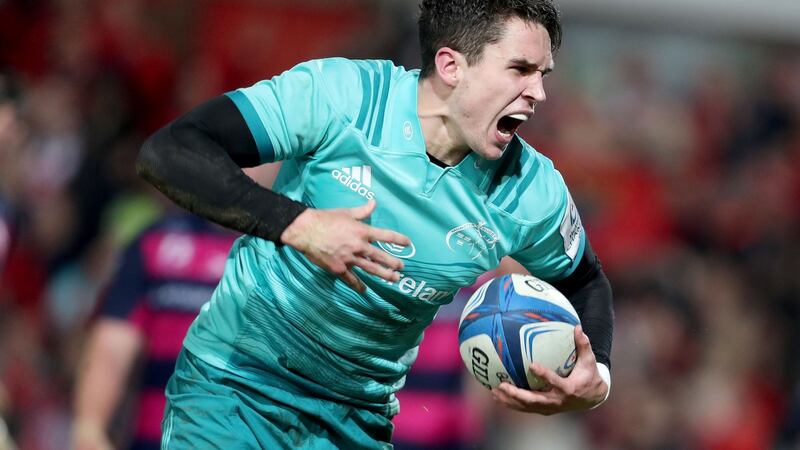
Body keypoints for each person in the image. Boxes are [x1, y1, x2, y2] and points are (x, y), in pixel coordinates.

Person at [137, 0, 614, 448]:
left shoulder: (529, 191)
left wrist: (598, 379)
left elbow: (585, 279)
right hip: (235, 385)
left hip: (357, 421)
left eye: (542, 74)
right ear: (451, 67)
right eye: (520, 70)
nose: (539, 92)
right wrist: (299, 225)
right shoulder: (341, 98)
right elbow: (171, 151)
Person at [71, 213, 237, 450]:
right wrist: (89, 429)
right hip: (157, 440)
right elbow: (110, 349)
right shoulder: (156, 242)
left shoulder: (289, 252)